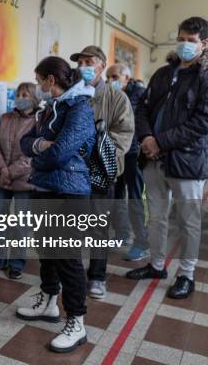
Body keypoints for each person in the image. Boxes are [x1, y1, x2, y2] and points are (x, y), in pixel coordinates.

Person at [126, 17, 208, 299]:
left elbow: (203, 122)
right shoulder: (162, 73)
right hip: (153, 159)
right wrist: (146, 139)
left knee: (188, 221)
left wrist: (160, 142)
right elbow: (142, 109)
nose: (184, 44)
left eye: (191, 40)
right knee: (156, 217)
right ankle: (156, 265)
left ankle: (187, 274)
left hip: (186, 161)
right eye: (181, 38)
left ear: (204, 43)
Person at [16, 56, 96, 353]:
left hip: (70, 191)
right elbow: (25, 142)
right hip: (45, 185)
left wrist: (39, 153)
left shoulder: (80, 108)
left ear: (51, 80)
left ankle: (77, 321)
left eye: (39, 82)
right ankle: (49, 301)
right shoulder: (53, 107)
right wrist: (39, 145)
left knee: (67, 257)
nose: (38, 87)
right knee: (46, 250)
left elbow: (61, 152)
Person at [71, 46, 134, 299]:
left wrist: (98, 149)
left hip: (101, 173)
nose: (84, 66)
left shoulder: (116, 98)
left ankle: (97, 276)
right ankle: (72, 275)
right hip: (74, 172)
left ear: (102, 65)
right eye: (81, 62)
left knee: (98, 228)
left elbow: (124, 134)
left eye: (89, 62)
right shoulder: (73, 94)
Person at [0, 82, 41, 279]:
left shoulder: (39, 122)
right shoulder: (5, 118)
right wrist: (2, 169)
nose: (20, 98)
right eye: (18, 94)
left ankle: (16, 263)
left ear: (34, 98)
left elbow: (34, 154)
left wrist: (12, 171)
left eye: (25, 94)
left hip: (24, 180)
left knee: (22, 223)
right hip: (2, 179)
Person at [106, 64, 150, 261]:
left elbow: (143, 121)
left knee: (134, 197)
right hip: (115, 153)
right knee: (115, 195)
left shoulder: (140, 94)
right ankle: (122, 234)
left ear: (127, 78)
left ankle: (141, 242)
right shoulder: (109, 95)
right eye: (109, 77)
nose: (111, 80)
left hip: (133, 153)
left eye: (115, 76)